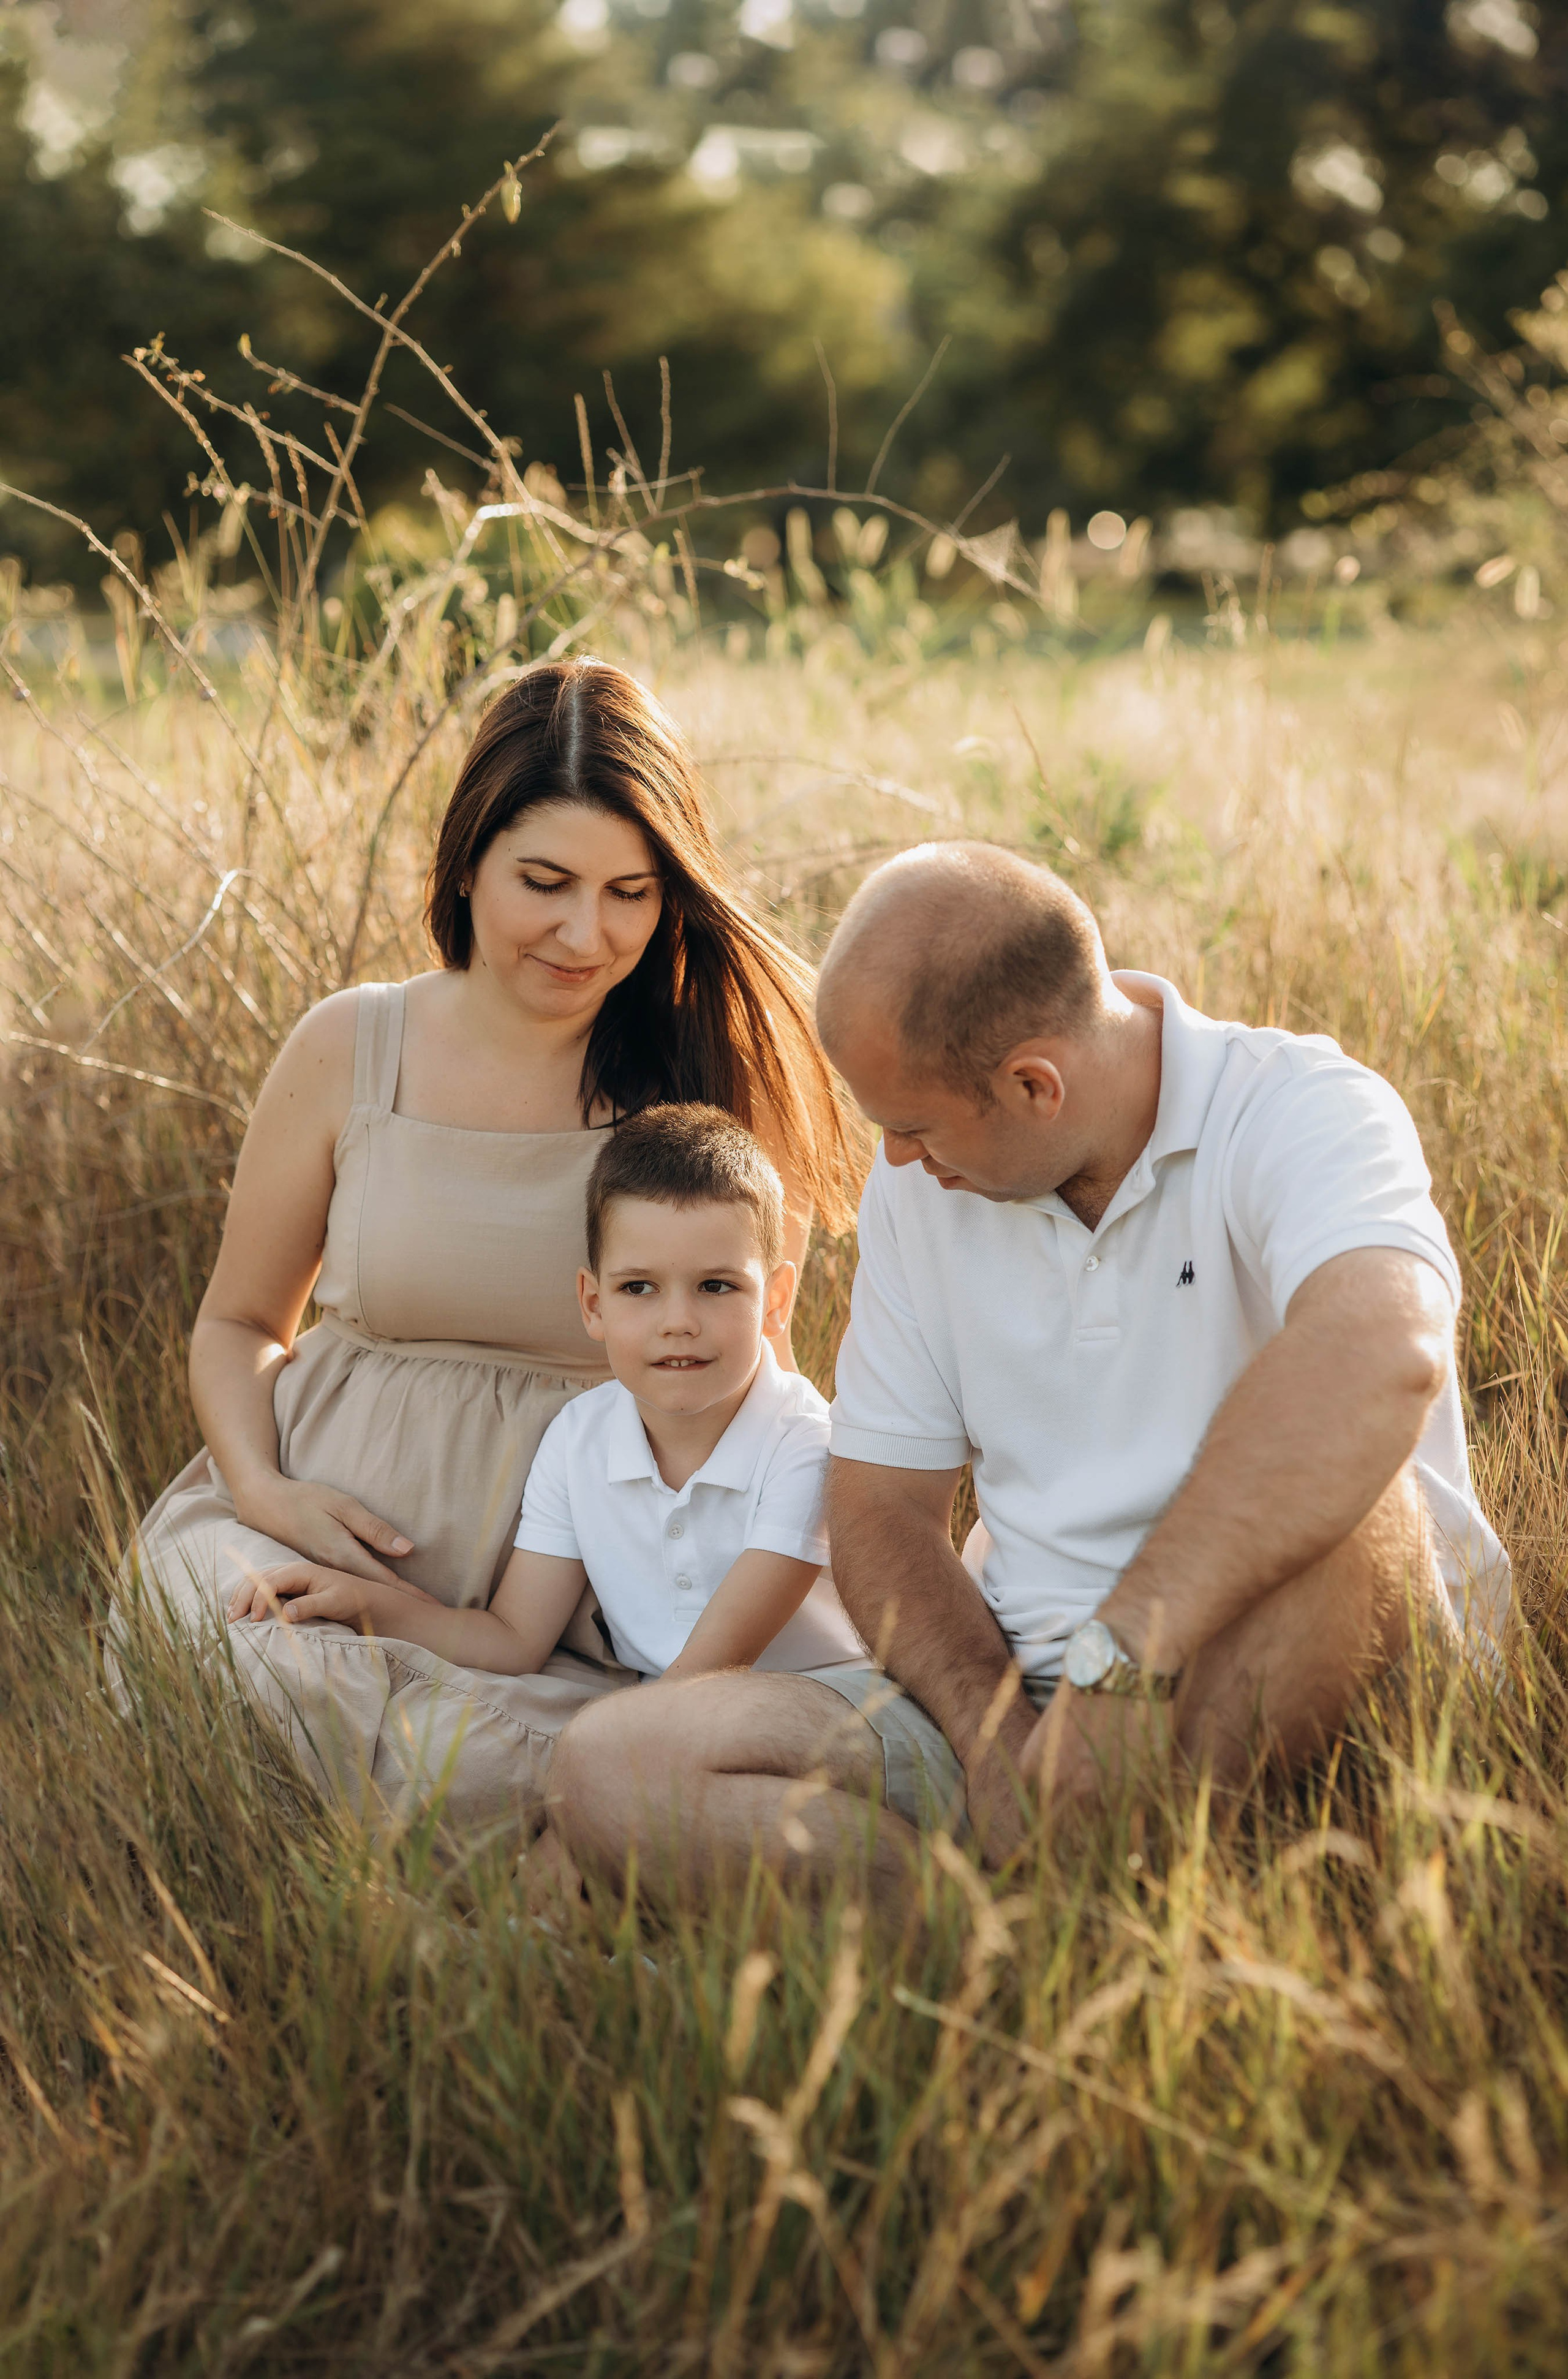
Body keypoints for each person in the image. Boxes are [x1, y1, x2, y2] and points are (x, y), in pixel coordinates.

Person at [545, 841, 1510, 1907]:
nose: (898, 1160)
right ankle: (995, 1947)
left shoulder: (1300, 1106)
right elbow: (879, 1507)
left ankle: (1119, 1888)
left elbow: (1384, 1351)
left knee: (1364, 1503)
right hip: (1027, 1701)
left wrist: (1121, 1661)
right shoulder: (923, 1191)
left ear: (1033, 1084)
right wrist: (994, 1732)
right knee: (609, 1762)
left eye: (911, 1125)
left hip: (1285, 1667)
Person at [117, 661, 859, 1828]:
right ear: (466, 862)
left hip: (563, 1587)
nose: (586, 932)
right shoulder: (350, 1045)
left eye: (632, 890)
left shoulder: (705, 1084)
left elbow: (745, 1364)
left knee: (489, 1761)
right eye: (546, 881)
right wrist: (265, 1487)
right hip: (313, 1507)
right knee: (246, 1657)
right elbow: (238, 1323)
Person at [224, 1103, 861, 1687]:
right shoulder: (578, 1439)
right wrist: (361, 1600)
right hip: (679, 1724)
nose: (678, 1321)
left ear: (775, 1301)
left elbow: (705, 1673)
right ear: (593, 1303)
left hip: (823, 1708)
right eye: (638, 1287)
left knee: (587, 1779)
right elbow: (514, 1641)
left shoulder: (804, 1443)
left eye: (716, 1287)